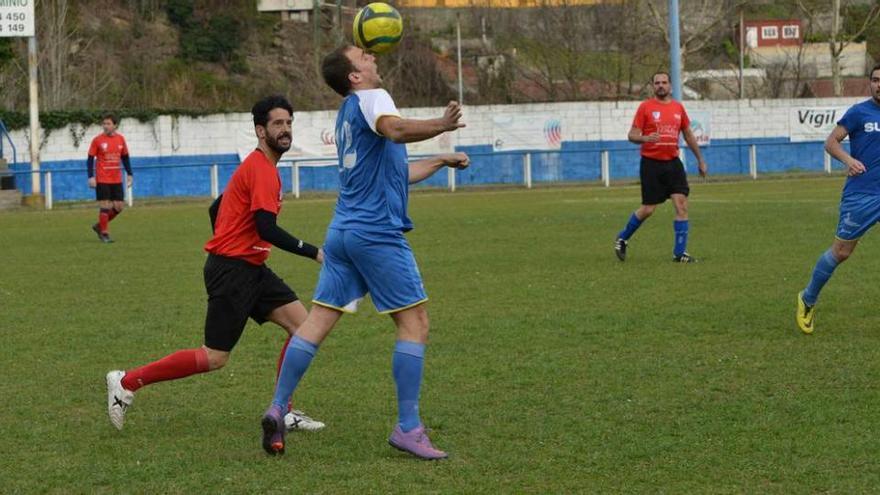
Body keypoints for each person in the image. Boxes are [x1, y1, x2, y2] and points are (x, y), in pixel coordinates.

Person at [259, 45, 469, 459]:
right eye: (364, 56)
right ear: (354, 76)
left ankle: (278, 406)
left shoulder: (349, 113)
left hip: (343, 231)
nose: (373, 58)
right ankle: (408, 427)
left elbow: (396, 172)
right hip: (375, 234)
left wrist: (440, 160)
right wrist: (441, 124)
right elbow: (395, 129)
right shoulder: (375, 99)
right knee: (415, 323)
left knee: (318, 321)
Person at [106, 95, 325, 432]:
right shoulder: (261, 169)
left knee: (303, 328)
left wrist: (232, 240)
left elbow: (216, 208)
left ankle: (283, 409)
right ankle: (126, 383)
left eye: (289, 123)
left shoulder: (259, 167)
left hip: (251, 267)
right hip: (233, 272)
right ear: (260, 130)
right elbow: (267, 228)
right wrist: (315, 252)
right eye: (277, 124)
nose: (285, 130)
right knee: (214, 357)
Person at [796, 64, 880, 334]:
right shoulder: (858, 112)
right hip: (862, 194)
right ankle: (807, 299)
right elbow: (831, 142)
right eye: (876, 80)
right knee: (841, 252)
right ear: (870, 83)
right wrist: (849, 159)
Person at [613, 72, 708, 263]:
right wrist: (644, 138)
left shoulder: (678, 108)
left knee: (681, 205)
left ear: (670, 86)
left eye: (664, 82)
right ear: (653, 86)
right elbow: (631, 135)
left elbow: (688, 135)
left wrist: (700, 159)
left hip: (673, 163)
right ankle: (623, 238)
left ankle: (680, 253)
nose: (661, 86)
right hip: (651, 164)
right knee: (648, 209)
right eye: (657, 83)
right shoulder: (645, 107)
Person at [87, 114, 132, 243]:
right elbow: (90, 159)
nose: (105, 126)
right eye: (104, 124)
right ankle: (104, 234)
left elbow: (125, 157)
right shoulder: (97, 140)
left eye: (108, 124)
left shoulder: (121, 139)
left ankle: (99, 226)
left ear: (115, 125)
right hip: (102, 178)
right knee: (105, 205)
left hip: (116, 178)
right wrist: (91, 176)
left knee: (119, 207)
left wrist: (129, 173)